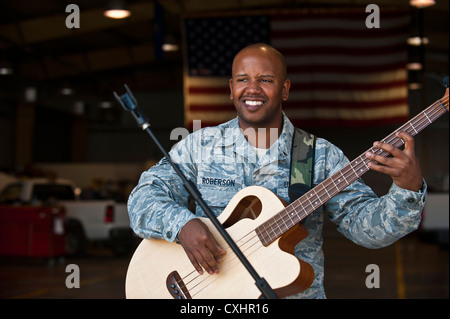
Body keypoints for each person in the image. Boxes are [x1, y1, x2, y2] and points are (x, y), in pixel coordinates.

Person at [127, 43, 426, 299]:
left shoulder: (318, 156)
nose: (252, 89)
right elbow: (142, 199)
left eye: (265, 80)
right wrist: (182, 224)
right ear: (232, 89)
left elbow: (367, 230)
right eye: (243, 79)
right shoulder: (199, 147)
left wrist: (407, 189)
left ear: (285, 90)